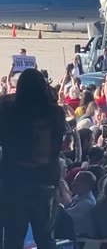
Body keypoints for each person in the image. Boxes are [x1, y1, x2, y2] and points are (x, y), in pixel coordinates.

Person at [0, 68, 66, 249]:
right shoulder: (55, 114)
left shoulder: (7, 111)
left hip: (14, 184)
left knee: (13, 238)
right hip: (45, 183)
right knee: (45, 239)